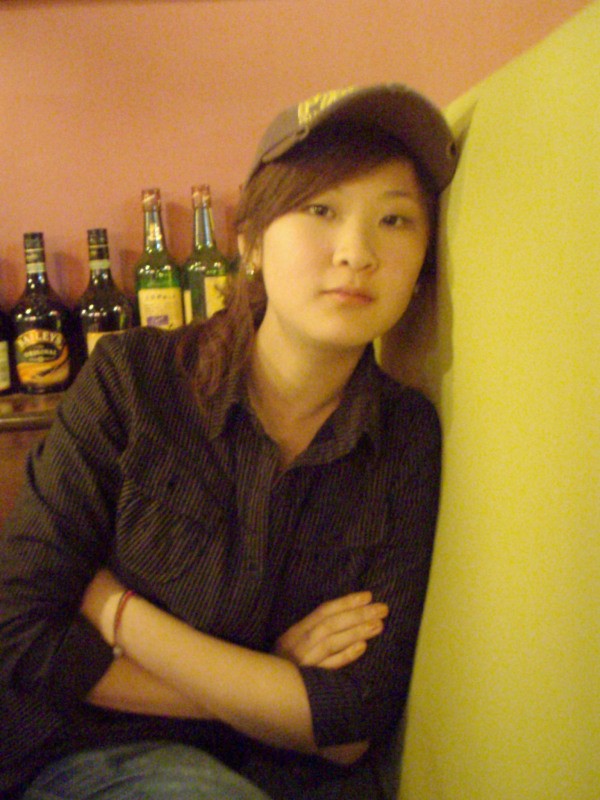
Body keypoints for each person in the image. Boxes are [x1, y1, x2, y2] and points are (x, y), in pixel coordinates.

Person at [0, 83, 458, 800]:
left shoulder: (405, 438)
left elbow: (350, 721)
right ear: (251, 243)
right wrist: (273, 682)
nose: (357, 253)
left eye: (394, 219)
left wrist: (119, 613)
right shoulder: (133, 380)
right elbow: (20, 634)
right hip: (95, 754)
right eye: (321, 210)